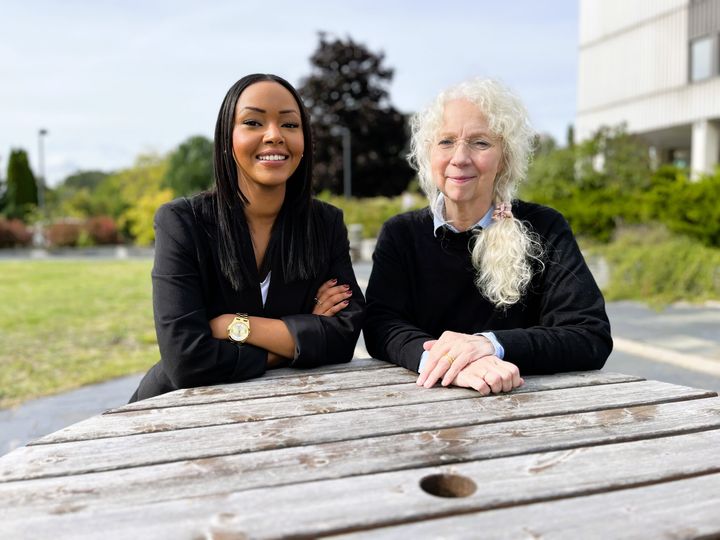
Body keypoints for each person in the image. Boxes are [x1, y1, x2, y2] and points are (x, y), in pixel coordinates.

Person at [363, 78, 612, 395]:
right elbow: (381, 327)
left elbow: (589, 335)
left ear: (504, 158)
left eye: (480, 143)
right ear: (428, 154)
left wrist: (489, 346)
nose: (460, 157)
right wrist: (448, 363)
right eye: (446, 142)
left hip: (528, 412)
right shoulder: (401, 233)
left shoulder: (545, 227)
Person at [130, 74, 364, 402]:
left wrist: (233, 326)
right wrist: (301, 339)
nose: (274, 136)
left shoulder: (325, 223)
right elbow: (186, 360)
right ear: (227, 138)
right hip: (175, 413)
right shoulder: (183, 222)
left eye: (290, 125)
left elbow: (343, 338)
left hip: (285, 411)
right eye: (253, 122)